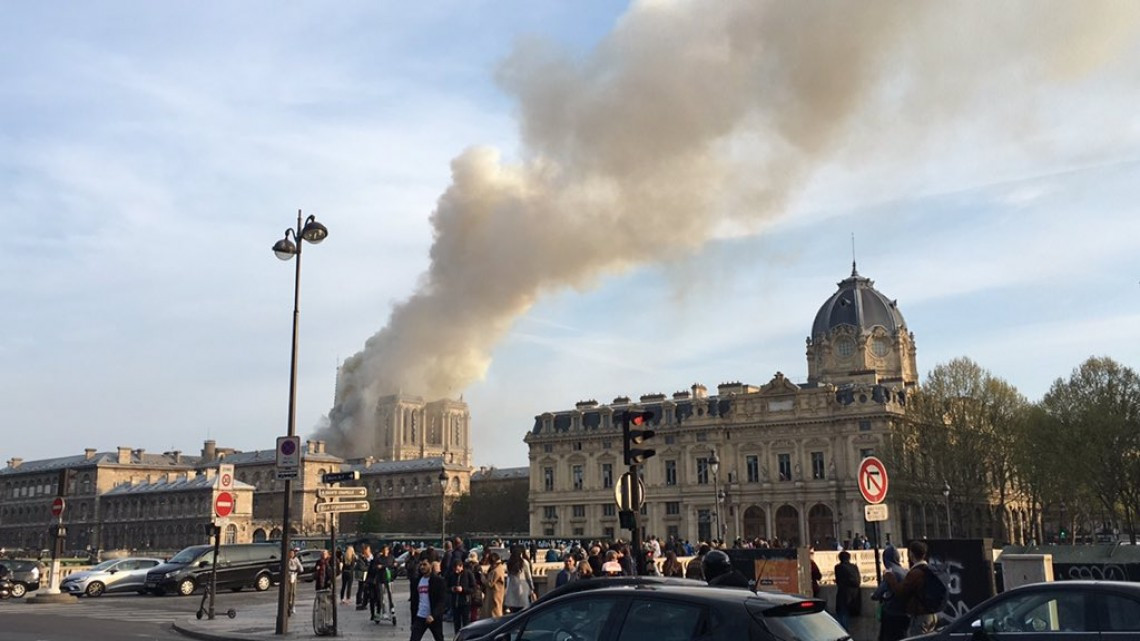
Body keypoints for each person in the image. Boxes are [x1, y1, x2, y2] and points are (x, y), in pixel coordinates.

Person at [885, 540, 938, 637]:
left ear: (911, 554)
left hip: (921, 616)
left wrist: (890, 577)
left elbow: (900, 591)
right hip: (932, 614)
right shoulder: (929, 569)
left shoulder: (915, 573)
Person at [872, 545, 910, 641]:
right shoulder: (905, 571)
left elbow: (878, 593)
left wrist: (874, 596)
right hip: (905, 613)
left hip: (892, 613)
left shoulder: (890, 572)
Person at [409, 559, 447, 641]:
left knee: (439, 638)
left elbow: (442, 601)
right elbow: (414, 602)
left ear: (430, 565)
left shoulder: (438, 581)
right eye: (421, 565)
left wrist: (433, 615)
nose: (422, 567)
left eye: (425, 565)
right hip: (420, 616)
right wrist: (413, 621)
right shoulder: (417, 581)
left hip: (433, 617)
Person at [445, 558, 476, 634]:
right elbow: (446, 587)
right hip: (455, 603)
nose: (456, 571)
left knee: (466, 623)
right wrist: (452, 589)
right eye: (454, 569)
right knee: (456, 623)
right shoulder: (452, 575)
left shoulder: (468, 574)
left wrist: (463, 590)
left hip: (465, 602)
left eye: (457, 569)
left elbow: (473, 588)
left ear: (461, 566)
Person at [833, 550, 861, 630]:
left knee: (842, 617)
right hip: (854, 596)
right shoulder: (854, 567)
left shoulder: (838, 567)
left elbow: (838, 581)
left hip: (843, 596)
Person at [503, 546, 536, 613]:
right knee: (524, 612)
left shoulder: (509, 563)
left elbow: (509, 577)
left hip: (512, 590)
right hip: (523, 589)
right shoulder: (524, 563)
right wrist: (532, 588)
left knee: (514, 612)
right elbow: (528, 577)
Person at [480, 551, 506, 619]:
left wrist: (482, 577)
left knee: (494, 614)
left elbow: (489, 583)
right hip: (496, 594)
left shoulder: (496, 571)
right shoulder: (500, 568)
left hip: (494, 595)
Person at [286, 548, 303, 615]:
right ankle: (288, 604)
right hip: (287, 577)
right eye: (290, 553)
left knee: (293, 592)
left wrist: (297, 570)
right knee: (288, 592)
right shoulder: (287, 560)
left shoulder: (296, 560)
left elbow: (301, 568)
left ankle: (293, 605)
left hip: (293, 576)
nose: (291, 554)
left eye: (292, 553)